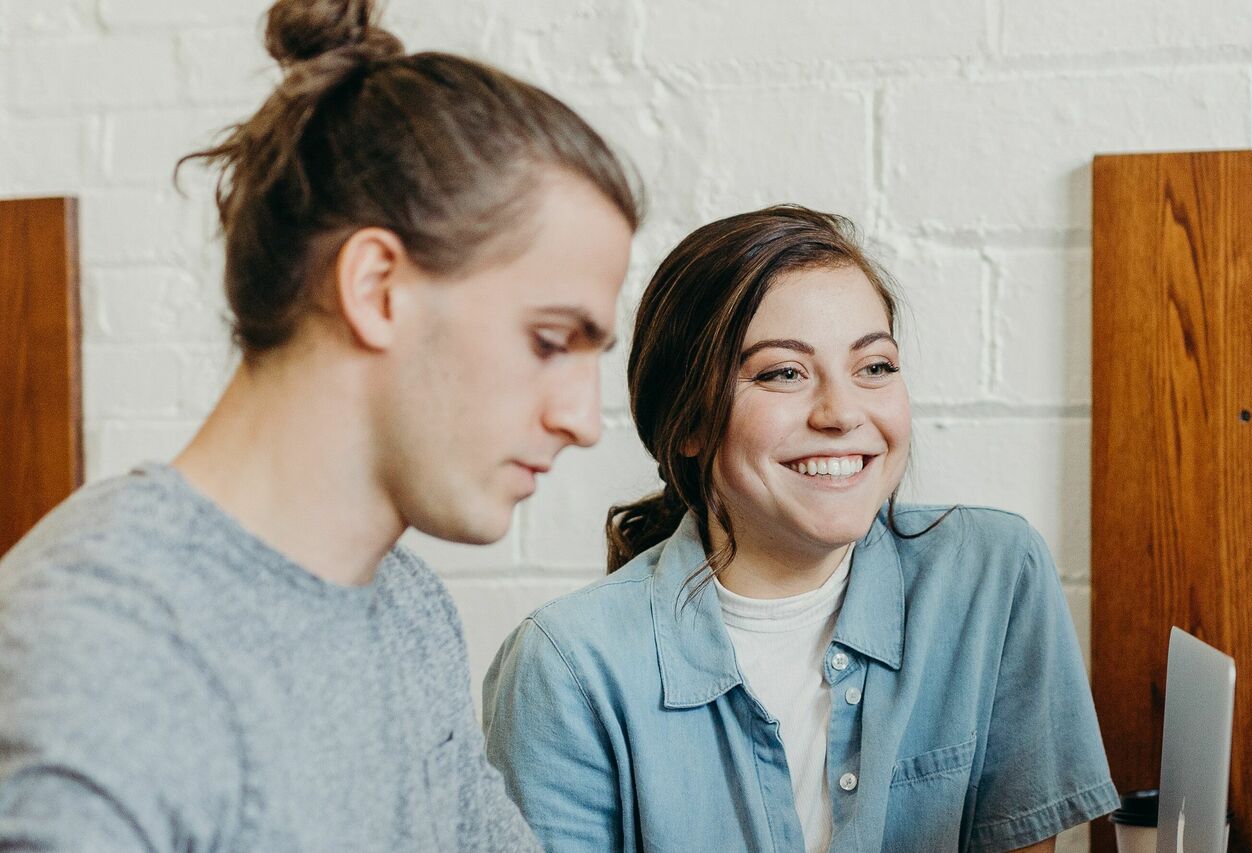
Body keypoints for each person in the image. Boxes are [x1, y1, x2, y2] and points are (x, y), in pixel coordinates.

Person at [0, 0, 640, 849]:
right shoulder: (100, 653)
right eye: (550, 341)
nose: (583, 420)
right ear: (376, 288)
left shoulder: (410, 608)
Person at [482, 205, 1117, 853]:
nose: (842, 412)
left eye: (874, 366)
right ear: (690, 423)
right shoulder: (564, 668)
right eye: (783, 372)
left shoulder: (995, 576)